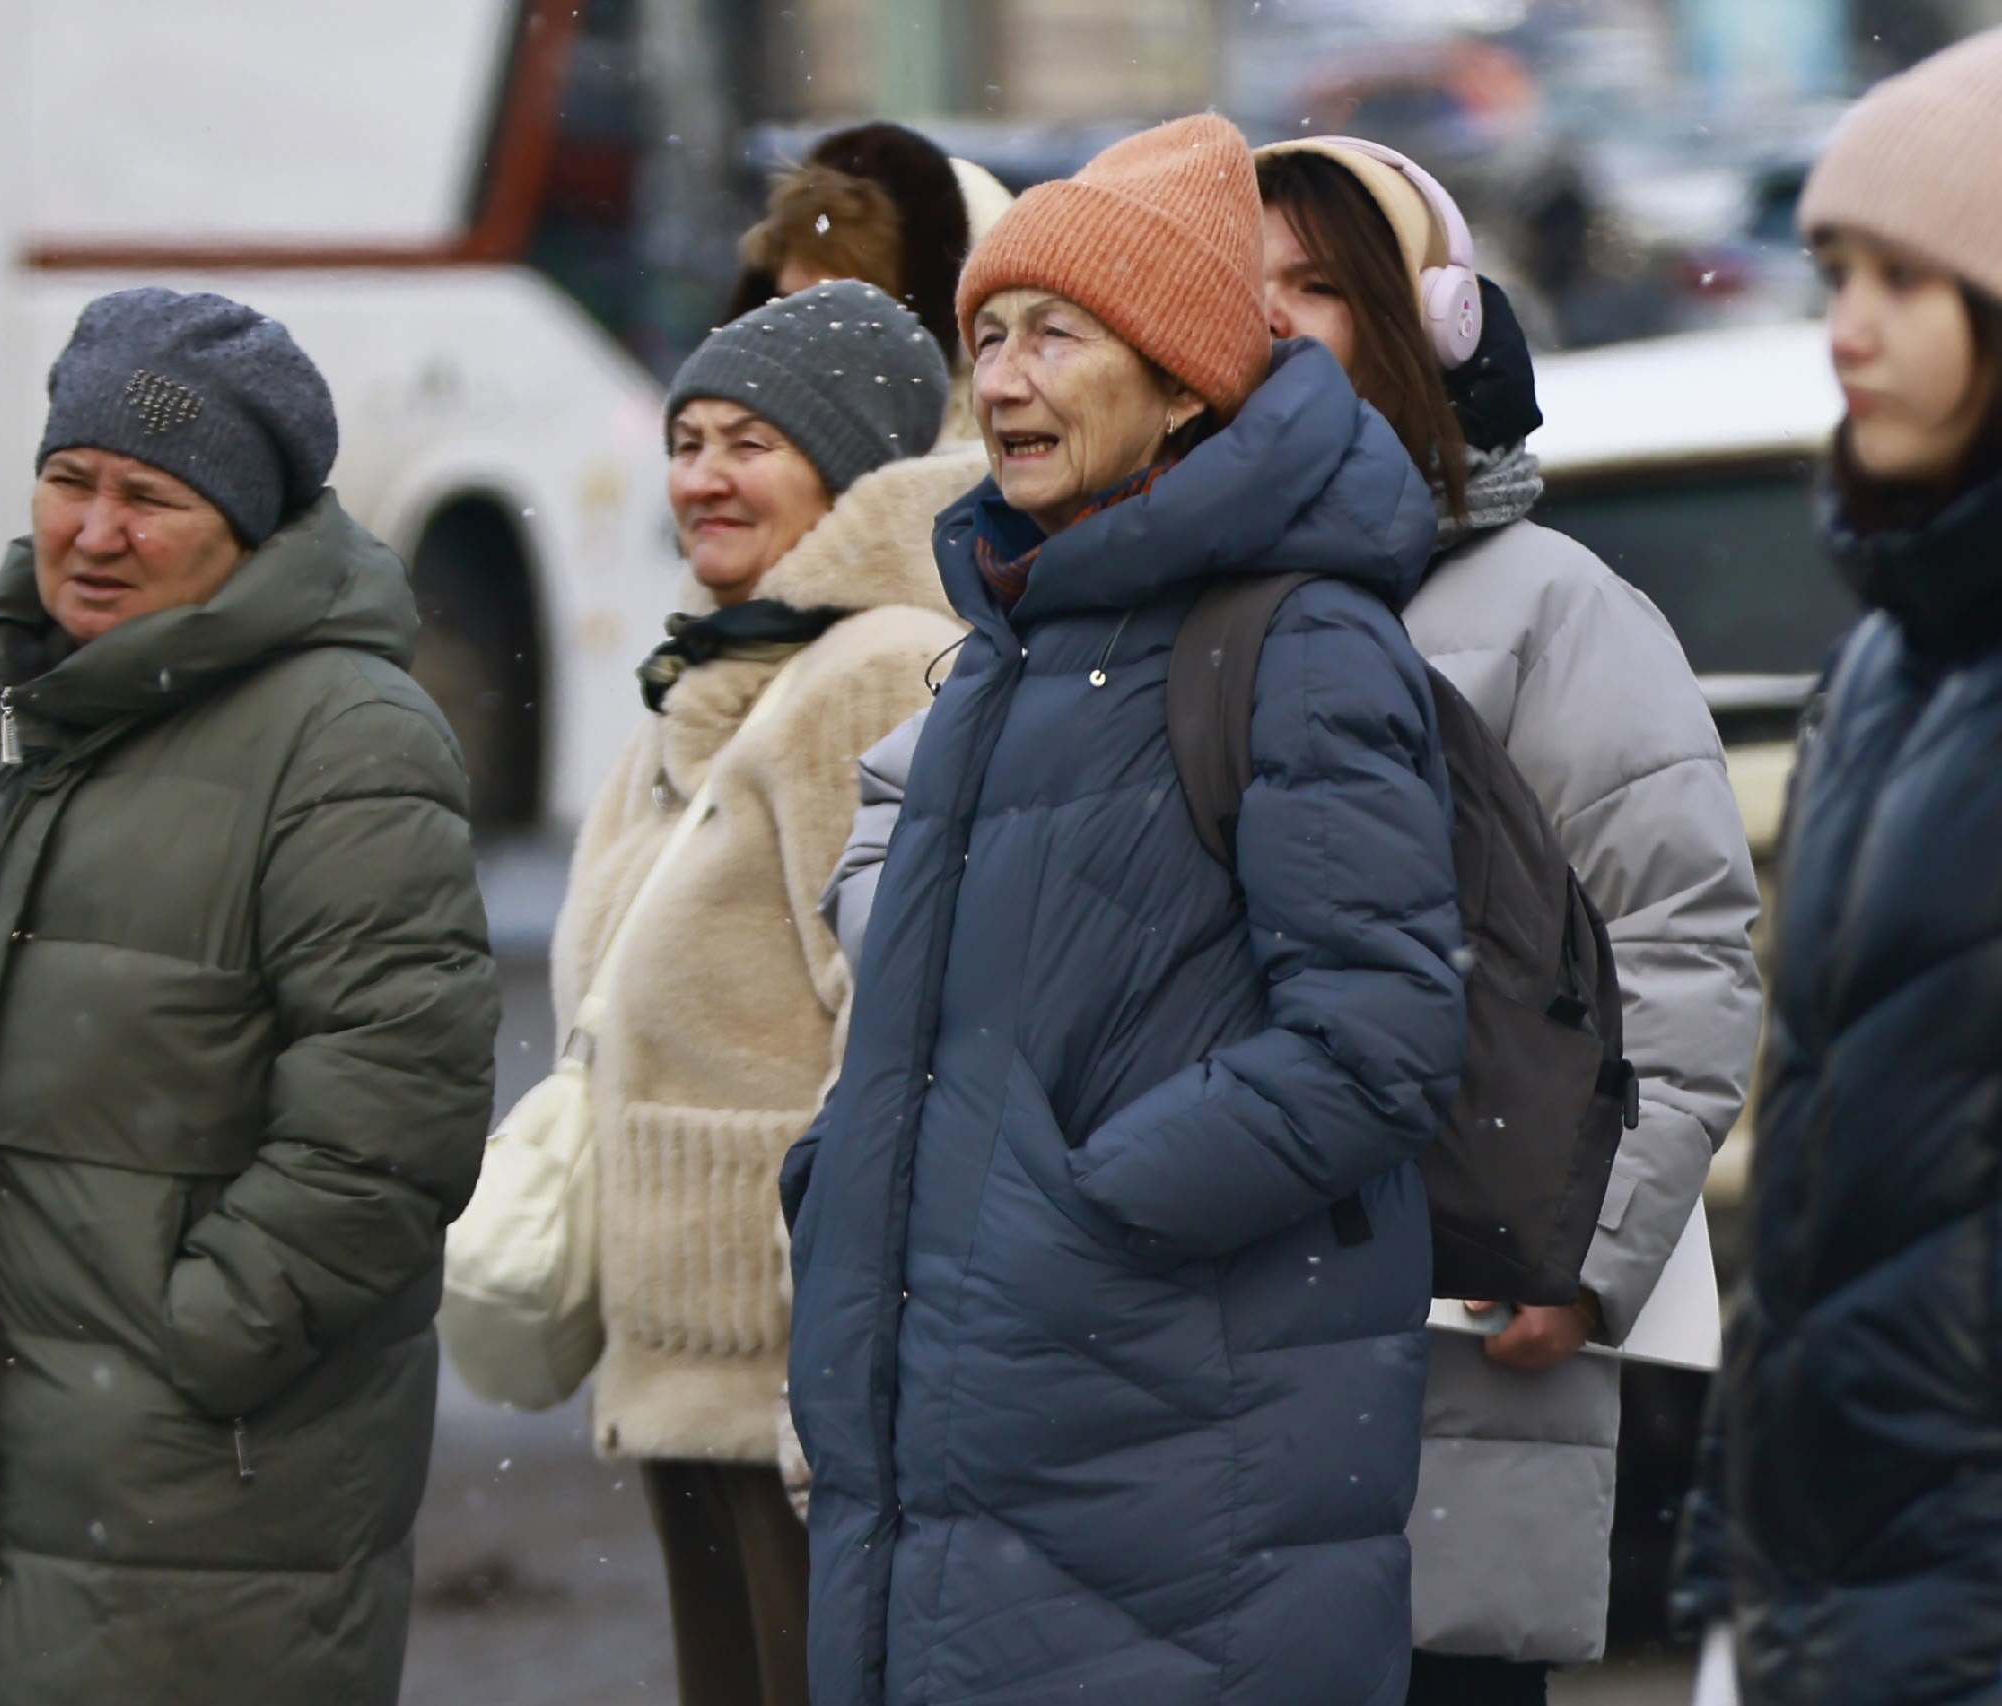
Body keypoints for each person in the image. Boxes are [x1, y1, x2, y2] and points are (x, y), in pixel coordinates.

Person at [784, 115, 1468, 1705]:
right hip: (976, 1462)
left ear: (1180, 383)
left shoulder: (1296, 640)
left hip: (1167, 1473)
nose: (1004, 382)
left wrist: (1080, 1221)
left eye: (1057, 338)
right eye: (989, 338)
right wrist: (852, 1192)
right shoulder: (1018, 647)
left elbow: (1379, 1041)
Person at [0, 290, 499, 1706]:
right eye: (69, 482)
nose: (93, 533)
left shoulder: (347, 739)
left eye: (148, 497)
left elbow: (393, 1116)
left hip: (205, 1501)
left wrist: (192, 1339)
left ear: (246, 526)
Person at [1250, 140, 1763, 1704]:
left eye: (1320, 288)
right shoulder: (1146, 600)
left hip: (1454, 1324)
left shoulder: (1555, 610)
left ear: (1433, 326)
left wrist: (1587, 1255)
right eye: (1242, 283)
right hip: (1214, 1337)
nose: (1270, 320)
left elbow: (1675, 946)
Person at [551, 277, 972, 1706]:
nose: (703, 478)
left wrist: (837, 1339)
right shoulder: (722, 667)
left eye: (751, 443)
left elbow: (892, 1020)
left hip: (785, 1361)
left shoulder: (873, 669)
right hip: (689, 1350)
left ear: (847, 470)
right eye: (689, 440)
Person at [1670, 29, 2002, 1705]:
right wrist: (1734, 1547)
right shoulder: (1885, 662)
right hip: (1836, 1575)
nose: (1848, 324)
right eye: (1833, 270)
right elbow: (1819, 1148)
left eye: (1906, 278)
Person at [728, 122, 1016, 439]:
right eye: (788, 304)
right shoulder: (739, 445)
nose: (803, 334)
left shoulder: (992, 466)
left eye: (837, 311)